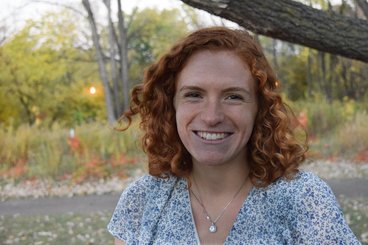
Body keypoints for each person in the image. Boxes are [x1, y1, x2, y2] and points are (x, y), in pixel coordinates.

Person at [107, 26, 360, 244]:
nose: (211, 116)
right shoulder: (141, 200)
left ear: (259, 109)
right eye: (194, 94)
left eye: (233, 97)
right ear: (171, 105)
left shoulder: (305, 200)